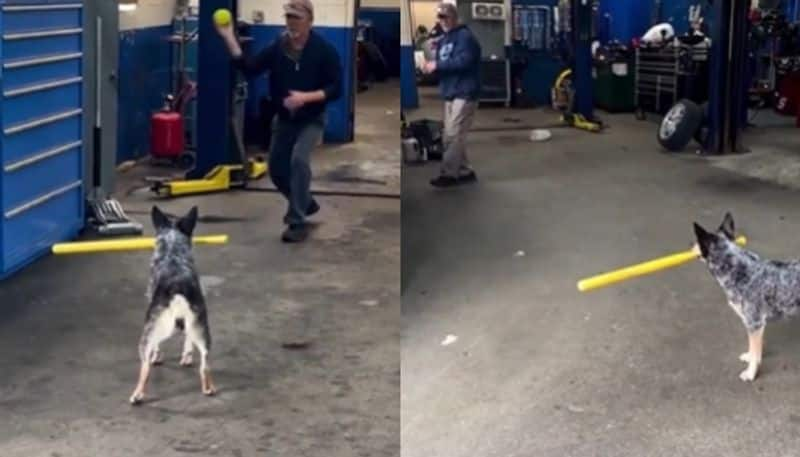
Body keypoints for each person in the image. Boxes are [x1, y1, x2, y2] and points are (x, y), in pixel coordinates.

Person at [215, 0, 342, 242]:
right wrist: (229, 37)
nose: (292, 23)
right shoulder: (278, 47)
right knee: (276, 171)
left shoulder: (323, 50)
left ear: (309, 21)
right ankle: (305, 202)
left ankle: (296, 222)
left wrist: (305, 97)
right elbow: (249, 68)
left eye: (297, 18)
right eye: (288, 18)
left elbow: (335, 88)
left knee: (299, 160)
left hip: (312, 119)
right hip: (284, 120)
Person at [421, 2, 481, 188]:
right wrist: (432, 60)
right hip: (450, 91)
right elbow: (444, 60)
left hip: (464, 92)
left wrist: (437, 65)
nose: (442, 21)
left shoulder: (465, 38)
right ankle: (464, 170)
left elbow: (464, 62)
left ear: (454, 17)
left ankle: (449, 174)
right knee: (455, 135)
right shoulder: (445, 38)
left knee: (452, 135)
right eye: (439, 17)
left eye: (445, 17)